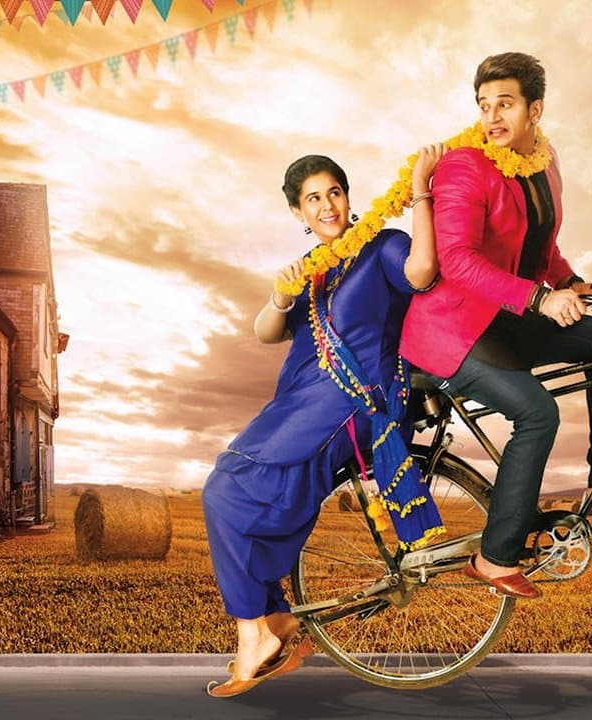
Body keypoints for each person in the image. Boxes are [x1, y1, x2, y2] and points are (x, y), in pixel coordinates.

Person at [202, 146, 445, 698]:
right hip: (303, 401)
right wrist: (279, 296)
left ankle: (255, 634)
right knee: (235, 493)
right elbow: (266, 332)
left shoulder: (381, 245)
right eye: (313, 199)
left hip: (353, 400)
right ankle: (274, 620)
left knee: (225, 488)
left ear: (348, 197)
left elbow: (422, 272)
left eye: (334, 192)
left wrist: (421, 190)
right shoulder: (312, 271)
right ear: (298, 213)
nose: (327, 205)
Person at [400, 52, 592, 601]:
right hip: (455, 329)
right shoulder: (464, 167)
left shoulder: (545, 163)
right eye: (484, 105)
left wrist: (570, 282)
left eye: (504, 104)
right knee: (538, 413)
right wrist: (541, 299)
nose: (492, 117)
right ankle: (495, 557)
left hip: (508, 314)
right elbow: (456, 261)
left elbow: (541, 244)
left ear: (536, 110)